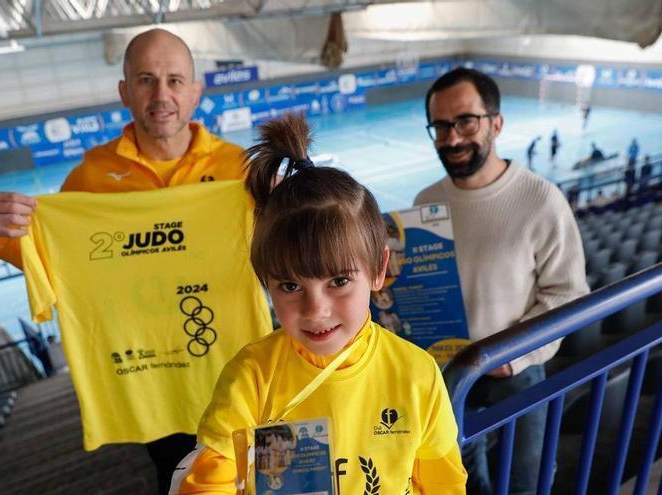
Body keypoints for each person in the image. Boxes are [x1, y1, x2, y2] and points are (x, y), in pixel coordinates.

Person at [0, 29, 247, 495]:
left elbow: (288, 252)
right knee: (184, 480)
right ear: (125, 91)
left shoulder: (241, 169)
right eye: (146, 79)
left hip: (236, 361)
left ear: (196, 91)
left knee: (260, 473)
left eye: (175, 80)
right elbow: (56, 262)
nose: (162, 94)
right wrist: (0, 234)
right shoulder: (90, 177)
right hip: (152, 379)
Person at [171, 114, 467, 493]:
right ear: (266, 283)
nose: (316, 310)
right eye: (291, 286)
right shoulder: (252, 377)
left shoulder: (417, 375)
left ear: (379, 270)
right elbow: (208, 482)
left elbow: (443, 483)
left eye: (339, 281)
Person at [416, 67, 589, 494]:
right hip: (446, 378)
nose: (452, 138)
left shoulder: (540, 200)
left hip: (515, 375)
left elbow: (567, 295)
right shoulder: (425, 203)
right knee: (461, 484)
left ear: (496, 123)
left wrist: (514, 356)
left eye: (465, 122)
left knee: (521, 484)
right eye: (440, 126)